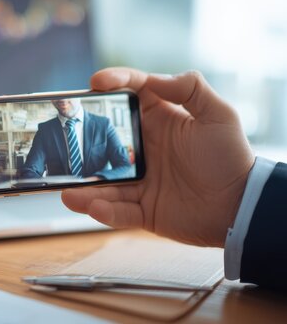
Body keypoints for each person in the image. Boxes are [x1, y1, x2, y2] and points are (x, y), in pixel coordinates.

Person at [61, 67, 287, 290]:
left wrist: (236, 194)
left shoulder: (102, 124)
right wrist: (237, 200)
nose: (63, 103)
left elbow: (122, 165)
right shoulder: (46, 129)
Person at [20, 98, 131, 180]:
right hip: (59, 198)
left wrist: (97, 179)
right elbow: (30, 170)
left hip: (99, 193)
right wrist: (44, 188)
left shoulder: (104, 125)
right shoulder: (45, 130)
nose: (62, 99)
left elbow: (124, 166)